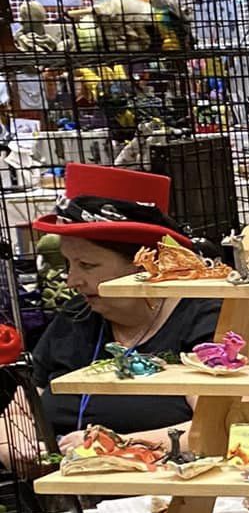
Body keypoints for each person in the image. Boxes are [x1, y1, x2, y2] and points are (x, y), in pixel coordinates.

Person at [28, 166, 229, 453]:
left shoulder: (208, 322)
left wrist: (119, 445)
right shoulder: (76, 316)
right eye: (68, 264)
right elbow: (20, 411)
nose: (72, 281)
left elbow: (230, 427)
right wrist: (17, 447)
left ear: (144, 265)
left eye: (87, 265)